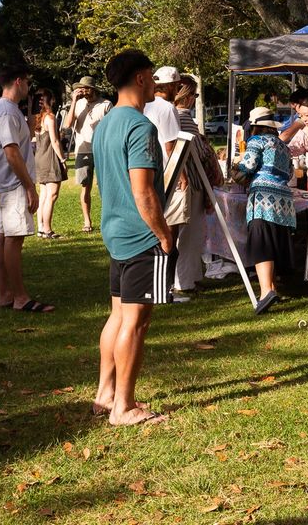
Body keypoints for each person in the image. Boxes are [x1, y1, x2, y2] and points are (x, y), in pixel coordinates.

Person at [91, 49, 173, 426]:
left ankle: (105, 394)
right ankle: (123, 405)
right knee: (136, 322)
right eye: (152, 76)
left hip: (114, 232)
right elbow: (143, 191)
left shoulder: (105, 123)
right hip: (141, 238)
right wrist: (163, 233)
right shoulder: (140, 127)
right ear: (140, 78)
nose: (155, 83)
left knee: (117, 315)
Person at [0, 64, 54, 313]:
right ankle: (20, 298)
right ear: (18, 81)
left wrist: (28, 115)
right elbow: (11, 151)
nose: (29, 87)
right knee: (13, 241)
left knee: (4, 237)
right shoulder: (6, 112)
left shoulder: (1, 108)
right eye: (27, 82)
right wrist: (29, 187)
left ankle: (5, 294)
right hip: (14, 184)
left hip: (6, 184)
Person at [231, 107, 296, 315]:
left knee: (262, 244)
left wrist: (236, 165)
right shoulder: (284, 146)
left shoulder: (256, 142)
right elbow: (290, 172)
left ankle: (266, 292)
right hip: (284, 200)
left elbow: (248, 166)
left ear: (256, 126)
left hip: (263, 198)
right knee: (274, 242)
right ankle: (273, 287)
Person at [144, 66, 189, 299]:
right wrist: (182, 175)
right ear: (171, 86)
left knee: (153, 232)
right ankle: (165, 288)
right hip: (167, 176)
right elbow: (171, 145)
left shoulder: (142, 104)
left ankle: (154, 285)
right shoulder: (167, 108)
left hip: (146, 174)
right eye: (177, 85)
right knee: (170, 234)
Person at [171, 75, 210, 293]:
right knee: (190, 233)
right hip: (191, 182)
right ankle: (184, 281)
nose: (194, 99)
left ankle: (190, 277)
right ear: (186, 97)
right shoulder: (183, 118)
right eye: (194, 95)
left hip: (177, 182)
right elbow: (200, 152)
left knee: (185, 233)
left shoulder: (169, 116)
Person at [61, 76, 112, 233]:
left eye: (86, 88)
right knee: (85, 186)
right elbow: (67, 125)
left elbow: (112, 127)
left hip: (102, 150)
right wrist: (75, 101)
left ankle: (109, 219)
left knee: (106, 186)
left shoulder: (106, 104)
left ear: (93, 89)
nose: (83, 91)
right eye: (80, 88)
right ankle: (87, 221)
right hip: (83, 150)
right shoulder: (78, 104)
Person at [32, 89, 68, 239]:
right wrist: (62, 159)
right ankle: (47, 229)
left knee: (44, 195)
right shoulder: (50, 118)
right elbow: (54, 141)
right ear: (51, 101)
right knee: (52, 195)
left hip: (39, 158)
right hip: (49, 158)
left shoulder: (38, 118)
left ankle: (40, 228)